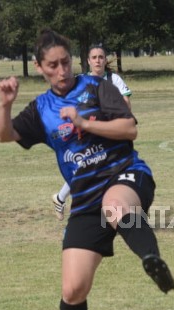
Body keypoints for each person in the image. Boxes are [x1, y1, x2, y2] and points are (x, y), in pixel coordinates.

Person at [0, 29, 174, 310]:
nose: (62, 70)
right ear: (40, 68)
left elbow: (130, 128)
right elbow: (5, 135)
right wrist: (5, 105)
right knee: (73, 289)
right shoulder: (41, 109)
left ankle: (151, 258)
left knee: (117, 206)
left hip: (126, 175)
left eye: (65, 62)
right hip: (85, 200)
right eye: (53, 65)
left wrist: (85, 123)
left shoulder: (96, 88)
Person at [51, 45, 133, 220]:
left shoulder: (113, 79)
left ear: (105, 60)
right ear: (88, 61)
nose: (97, 60)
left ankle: (62, 198)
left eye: (101, 57)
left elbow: (126, 103)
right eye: (94, 57)